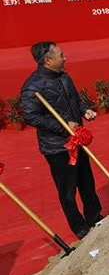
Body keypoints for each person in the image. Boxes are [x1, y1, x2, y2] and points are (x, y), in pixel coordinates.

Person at [19, 42, 102, 239]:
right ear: (48, 60)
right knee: (68, 190)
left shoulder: (64, 77)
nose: (65, 58)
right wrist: (63, 126)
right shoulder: (32, 87)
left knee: (87, 182)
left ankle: (95, 217)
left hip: (77, 139)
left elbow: (76, 100)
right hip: (57, 147)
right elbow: (30, 116)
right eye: (61, 55)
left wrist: (85, 110)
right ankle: (80, 228)